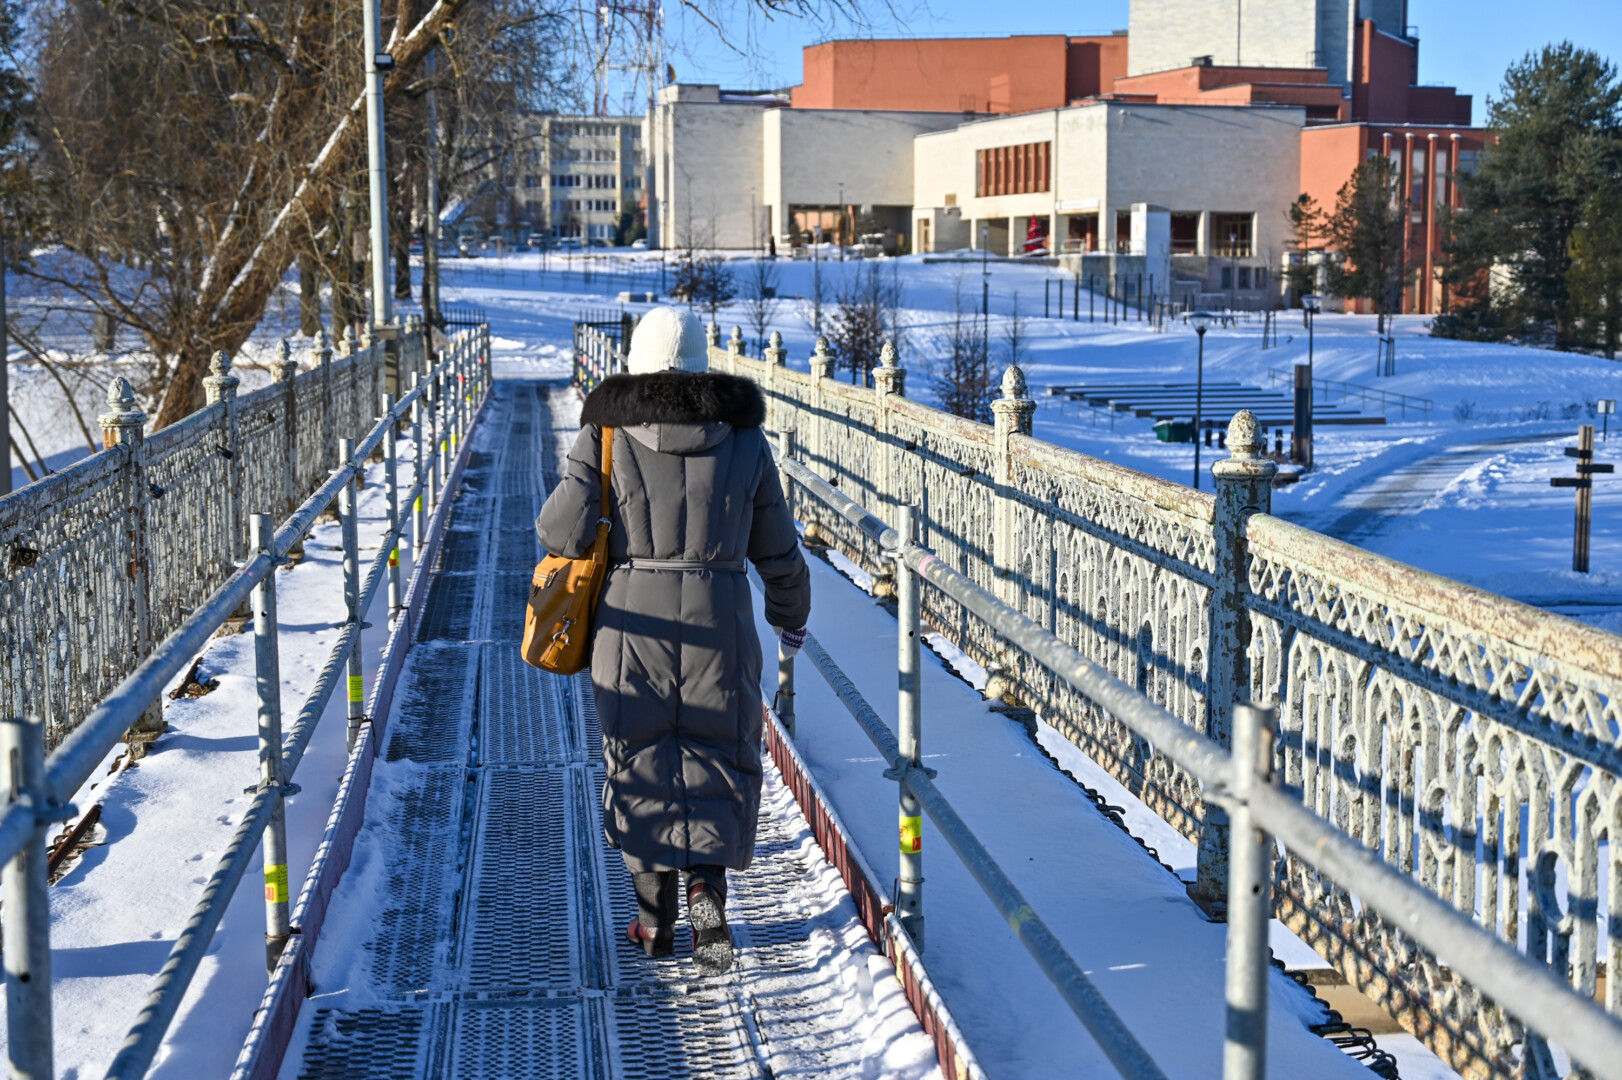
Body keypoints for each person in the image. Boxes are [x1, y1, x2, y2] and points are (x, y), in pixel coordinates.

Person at [536, 306, 810, 975]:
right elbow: (777, 549)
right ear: (700, 359)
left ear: (636, 360)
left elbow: (558, 532)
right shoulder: (745, 440)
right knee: (719, 754)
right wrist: (790, 615)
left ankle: (655, 925)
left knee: (640, 761)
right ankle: (706, 895)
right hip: (721, 618)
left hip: (632, 625)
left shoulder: (606, 432)